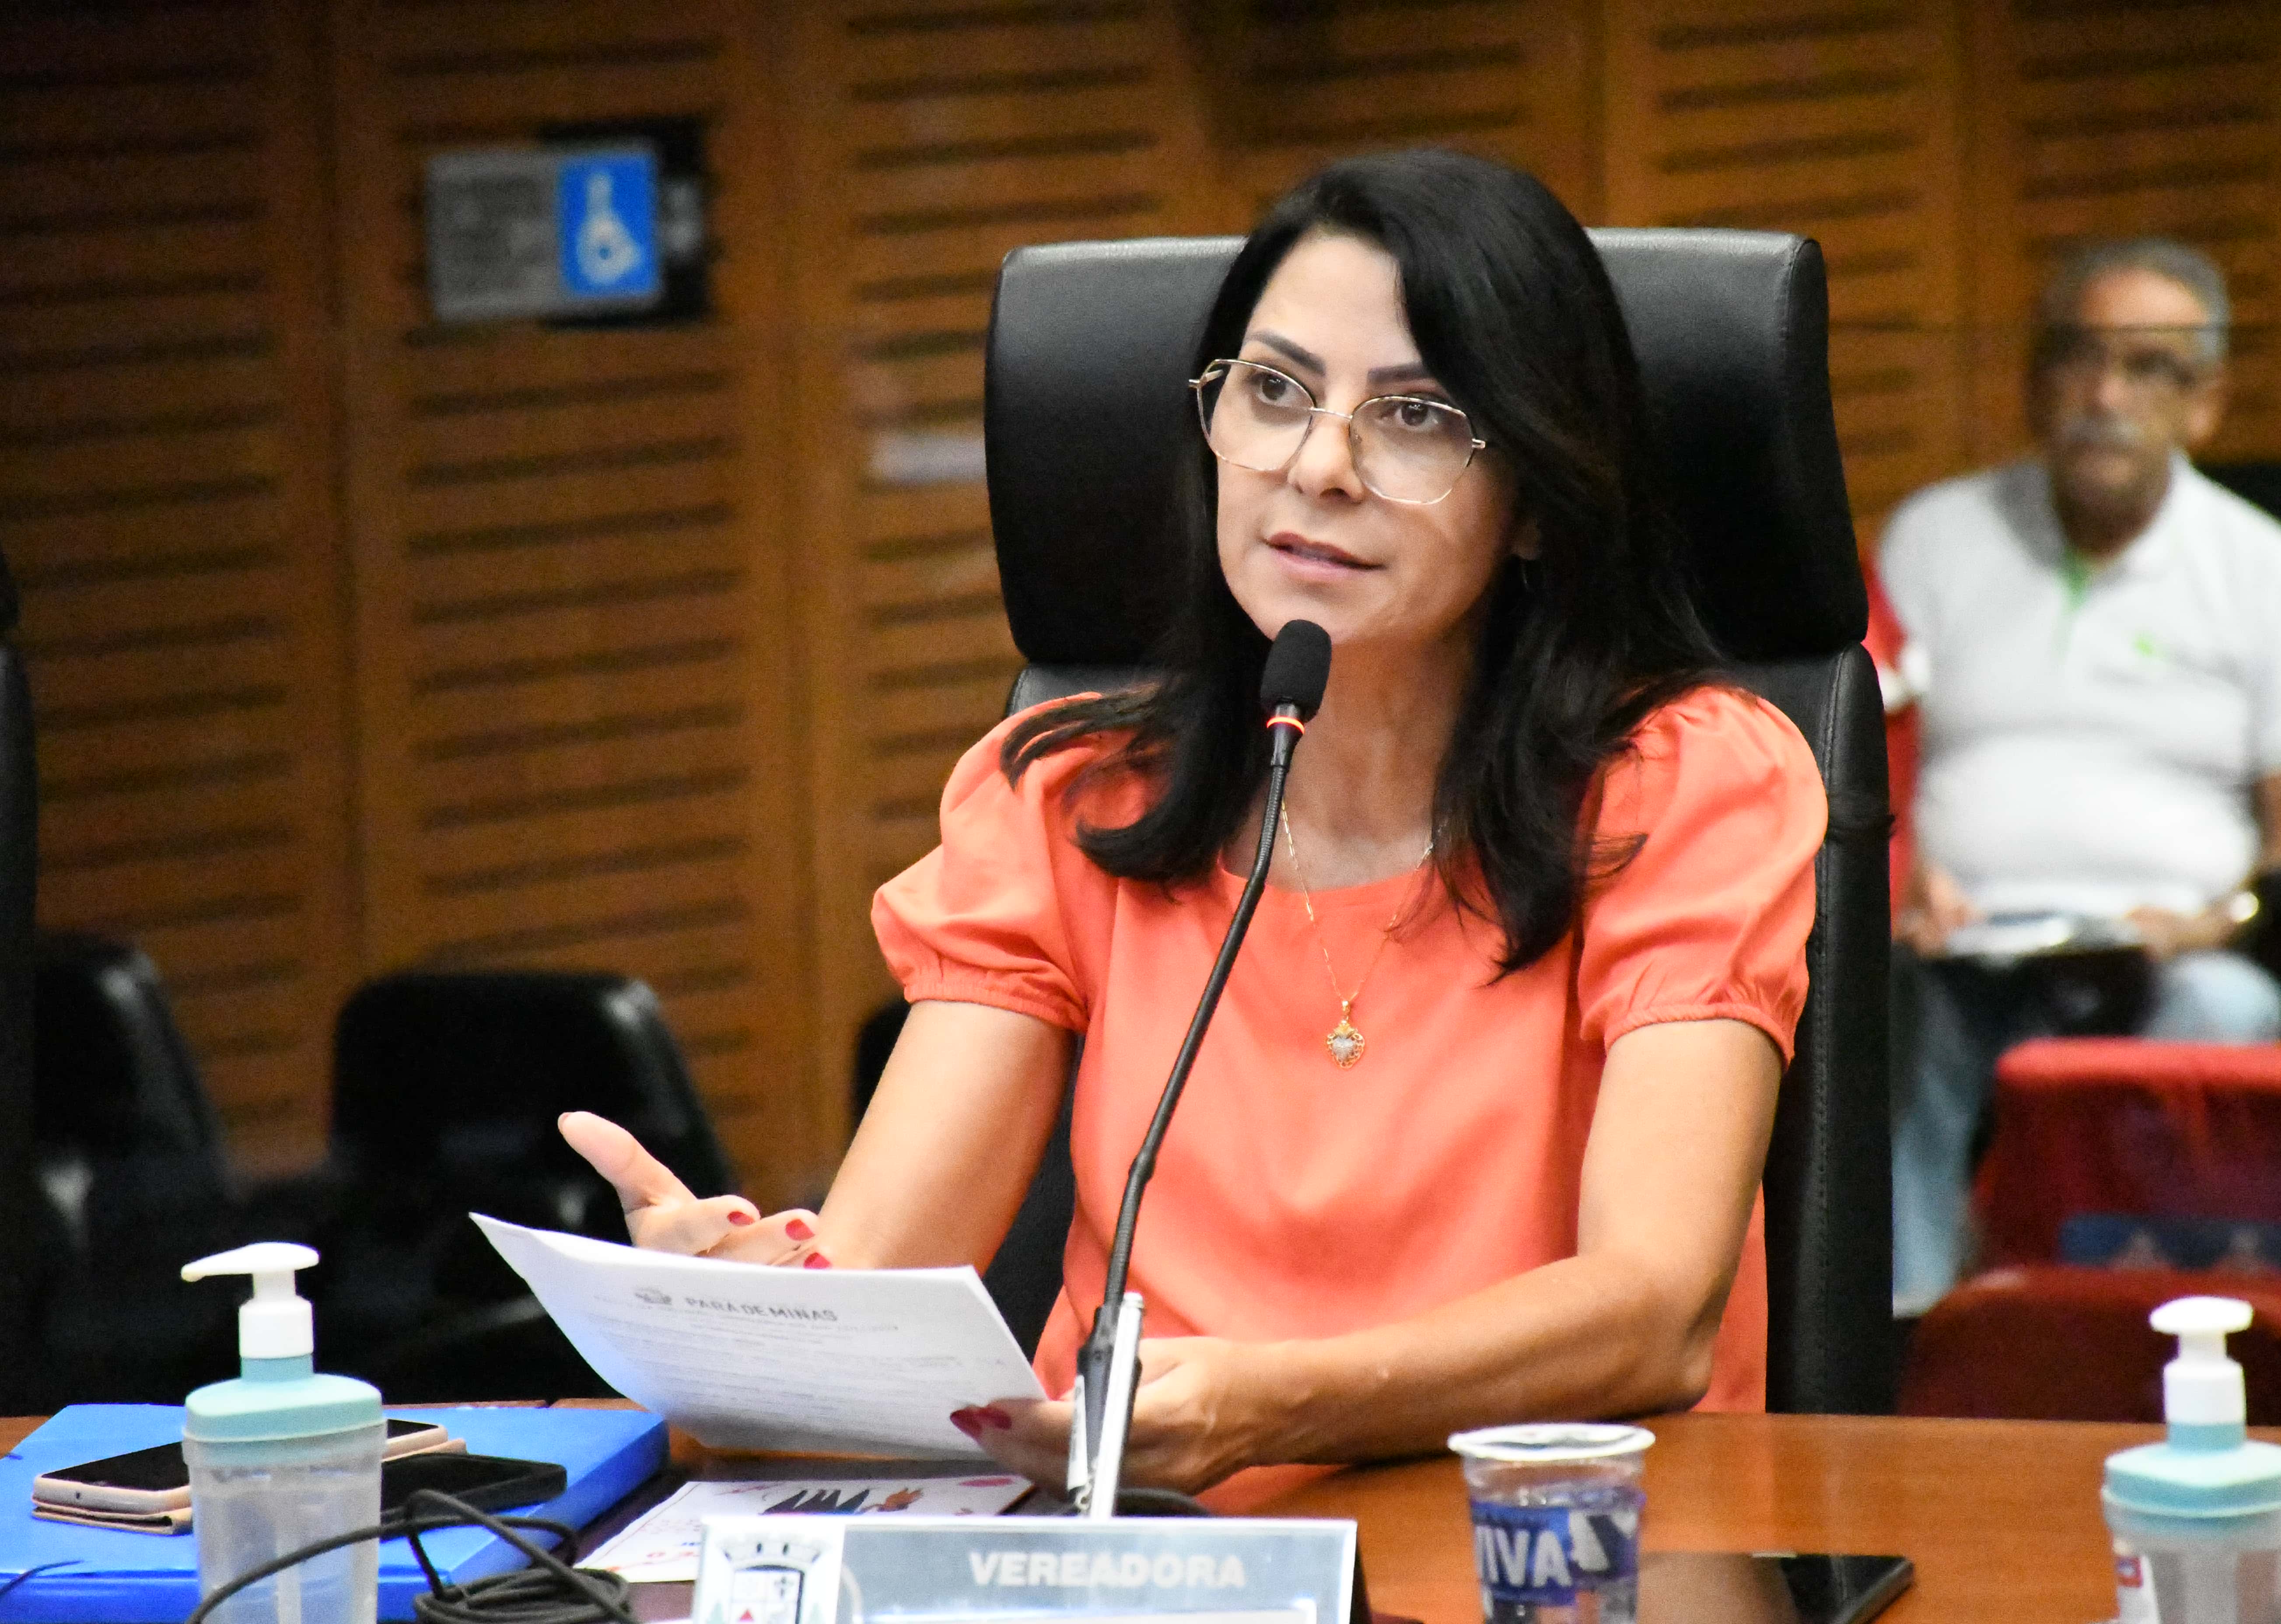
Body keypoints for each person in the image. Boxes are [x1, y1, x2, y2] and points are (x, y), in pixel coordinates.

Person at [559, 148, 1826, 1499]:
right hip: (1140, 1557)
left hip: (1548, 1554)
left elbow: (1655, 1310)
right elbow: (868, 1296)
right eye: (1274, 391)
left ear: (1533, 503)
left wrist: (1271, 1405)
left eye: (1414, 417)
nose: (1319, 466)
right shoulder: (1074, 798)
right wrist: (743, 1314)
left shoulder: (1676, 788)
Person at [1877, 237, 2281, 1312]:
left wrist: (2214, 922)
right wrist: (1908, 875)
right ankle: (1904, 1336)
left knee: (2228, 1007)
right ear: (2033, 380)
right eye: (2080, 358)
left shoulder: (2272, 573)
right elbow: (1872, 755)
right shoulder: (1936, 536)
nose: (2105, 396)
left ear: (2206, 404)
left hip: (2175, 953)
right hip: (1963, 946)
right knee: (1879, 1003)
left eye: (2149, 368)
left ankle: (2120, 1323)